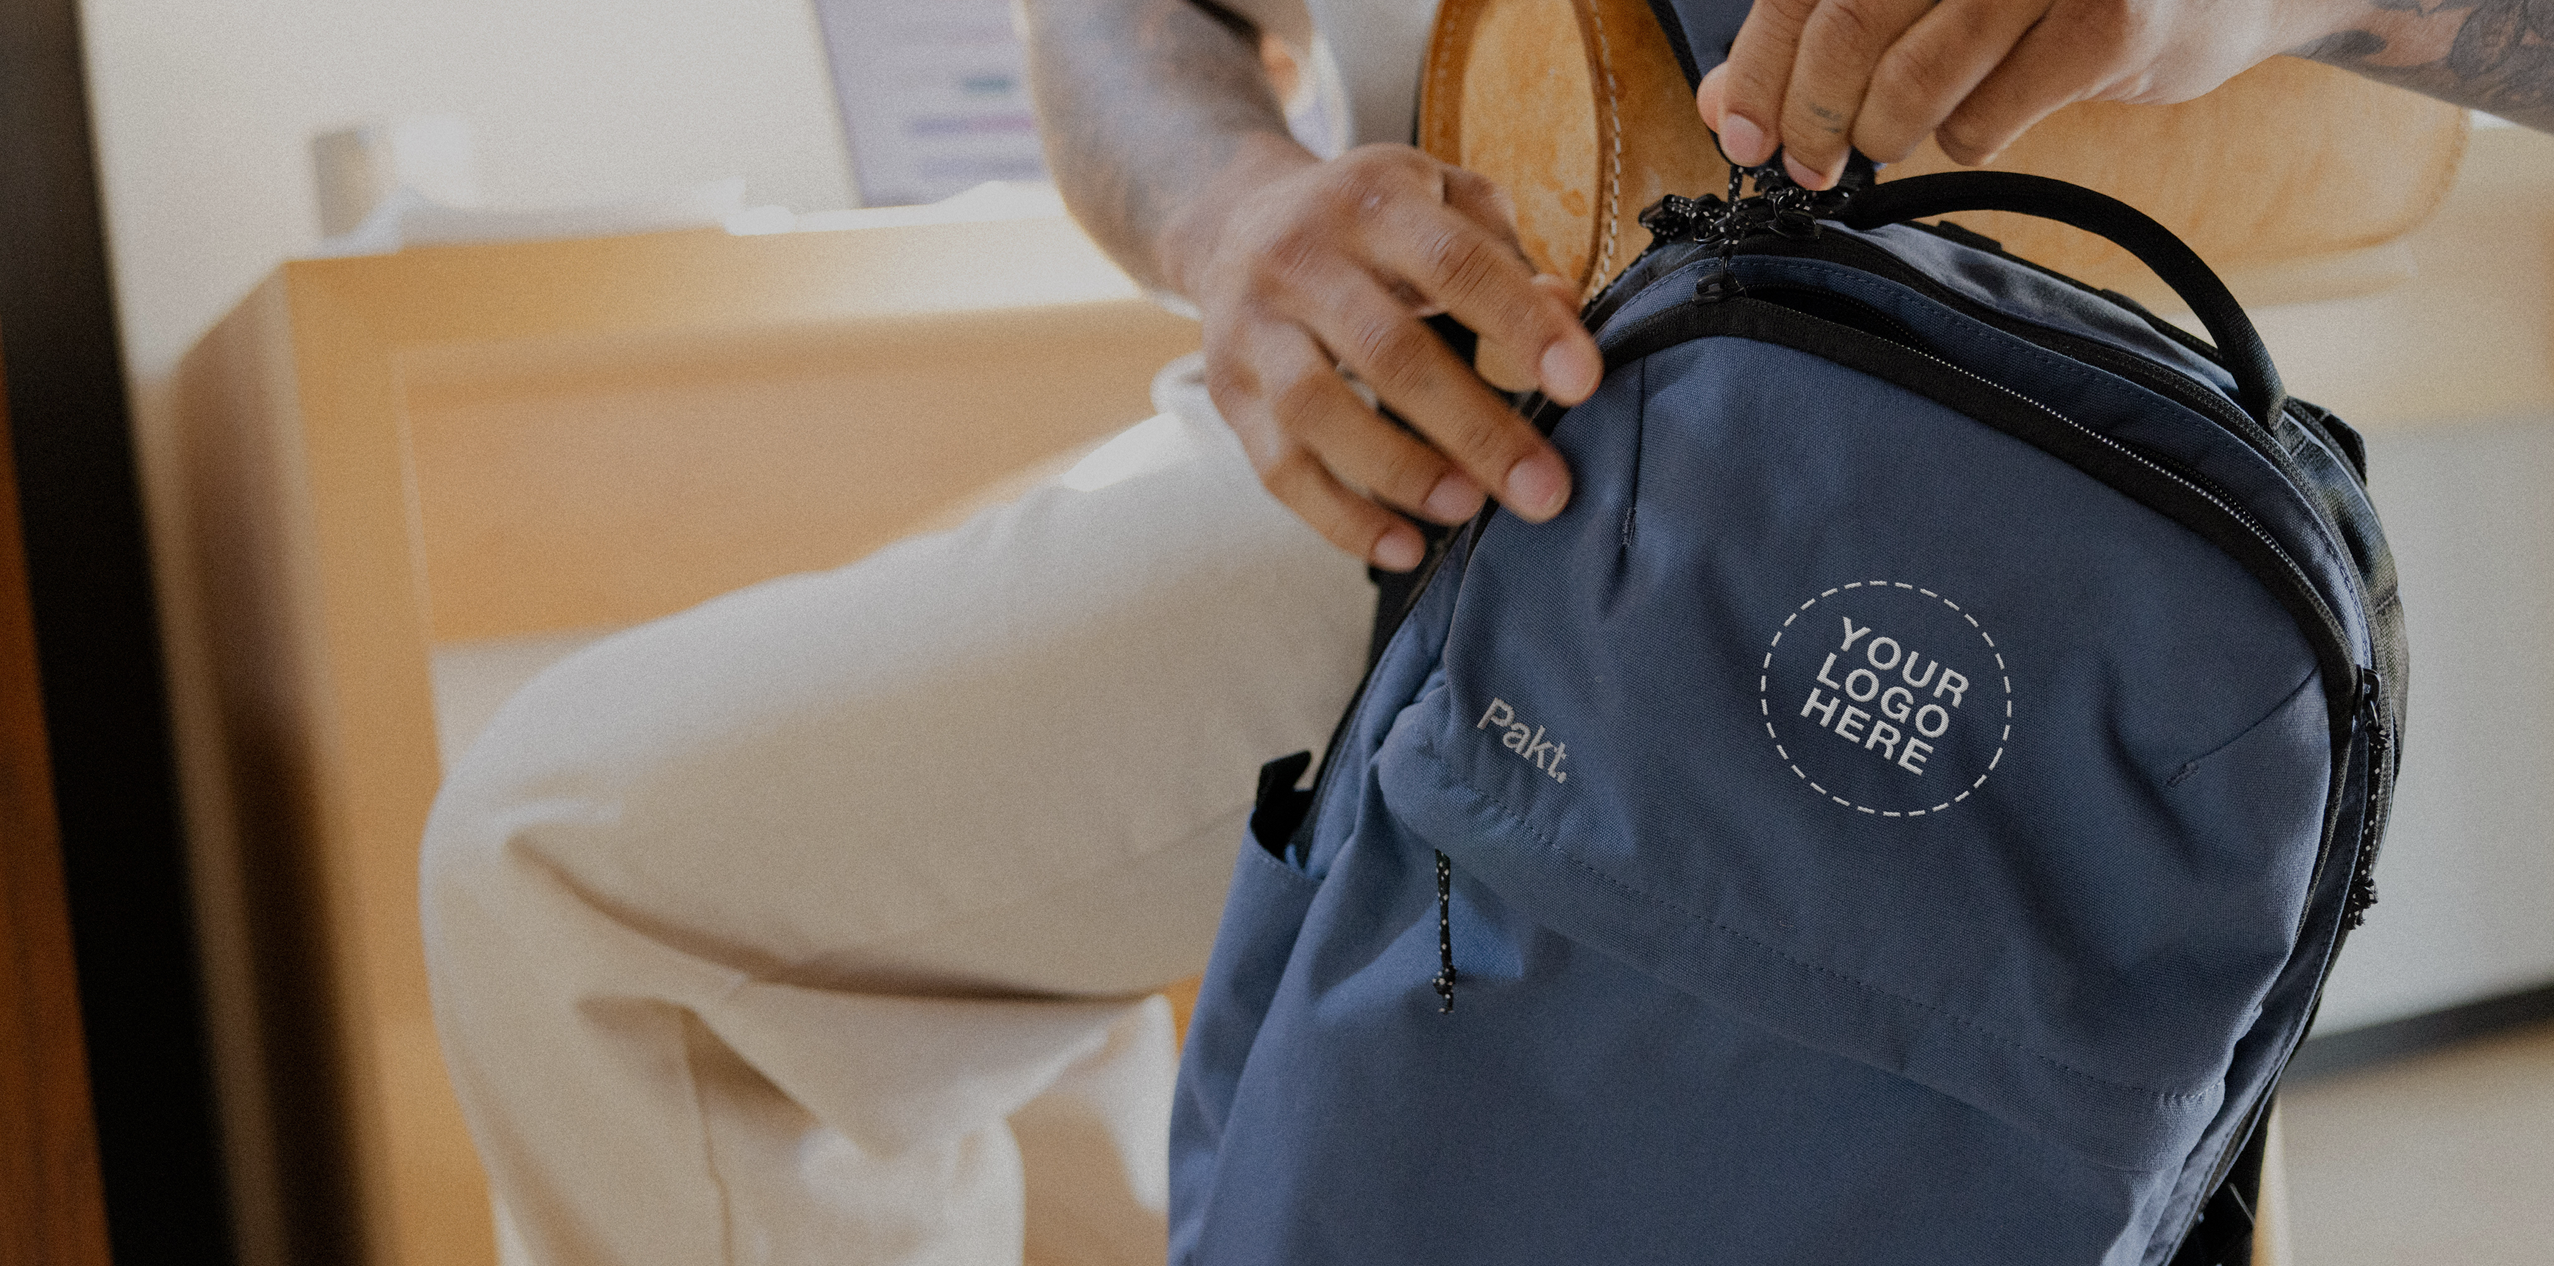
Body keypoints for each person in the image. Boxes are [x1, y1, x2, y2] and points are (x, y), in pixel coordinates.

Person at [420, 1, 2554, 1262]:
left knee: (574, 872)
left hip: (1914, 463)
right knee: (623, 863)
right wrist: (1227, 211)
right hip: (1499, 409)